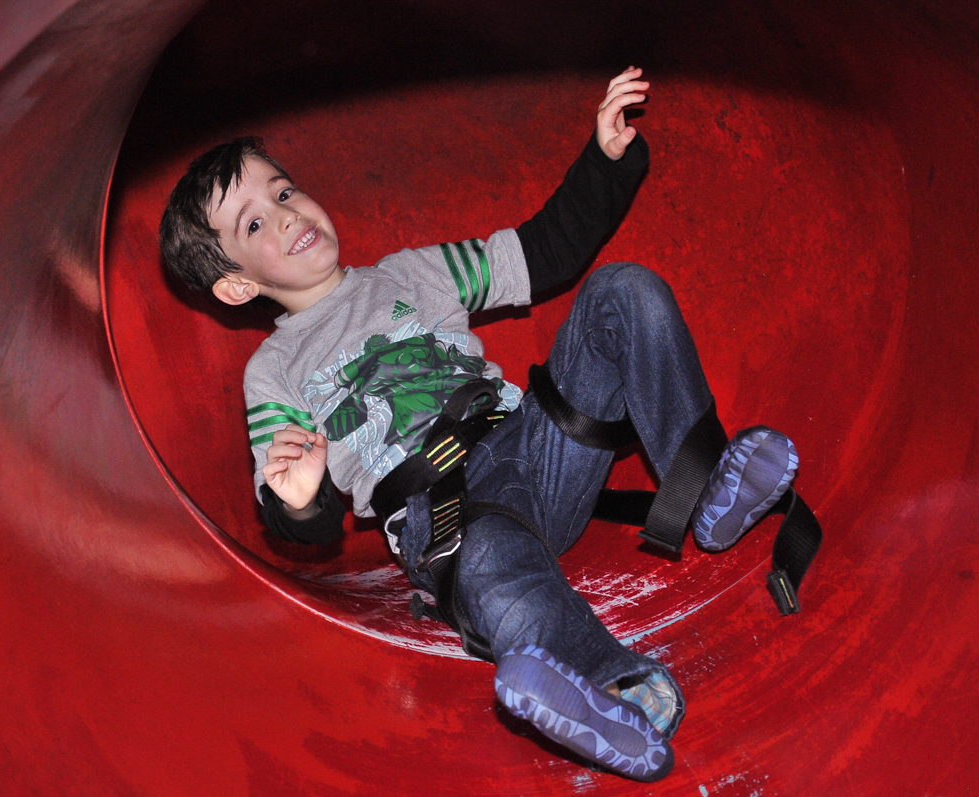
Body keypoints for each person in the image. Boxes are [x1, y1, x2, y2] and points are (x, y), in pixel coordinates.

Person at [158, 67, 799, 783]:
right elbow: (293, 516)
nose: (285, 213)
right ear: (238, 284)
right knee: (496, 575)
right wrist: (302, 494)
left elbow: (541, 253)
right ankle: (614, 693)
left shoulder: (411, 273)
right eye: (254, 222)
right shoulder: (274, 371)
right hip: (446, 512)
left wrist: (606, 161)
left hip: (533, 442)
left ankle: (704, 484)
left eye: (283, 191)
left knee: (625, 290)